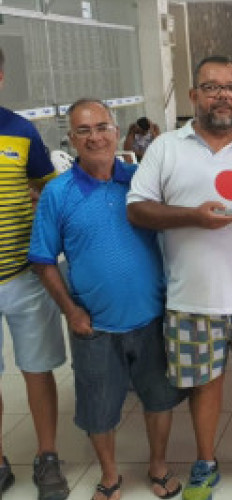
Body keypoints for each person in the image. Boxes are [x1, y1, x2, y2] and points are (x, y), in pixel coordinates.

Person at [127, 55, 232, 500]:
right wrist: (193, 217)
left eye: (231, 88)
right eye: (211, 87)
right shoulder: (166, 148)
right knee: (205, 385)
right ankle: (205, 462)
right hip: (193, 297)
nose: (223, 96)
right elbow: (137, 209)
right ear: (194, 95)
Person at [28, 98, 186, 500]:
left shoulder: (140, 182)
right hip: (94, 325)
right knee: (98, 409)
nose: (94, 137)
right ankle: (110, 476)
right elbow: (42, 260)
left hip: (152, 316)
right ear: (71, 138)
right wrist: (71, 312)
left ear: (116, 132)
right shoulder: (57, 194)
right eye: (83, 130)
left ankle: (158, 466)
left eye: (101, 127)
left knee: (159, 399)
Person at [0, 46, 70, 500]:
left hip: (25, 275)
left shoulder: (21, 130)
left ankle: (47, 457)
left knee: (37, 369)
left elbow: (50, 188)